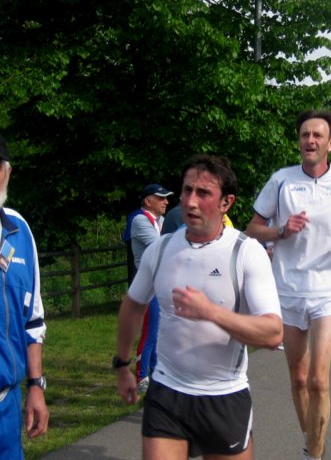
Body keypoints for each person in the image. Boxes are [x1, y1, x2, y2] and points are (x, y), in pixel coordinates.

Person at [115, 154, 282, 460]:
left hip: (224, 394)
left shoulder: (245, 252)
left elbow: (272, 333)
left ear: (226, 202)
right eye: (187, 190)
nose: (191, 201)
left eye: (203, 193)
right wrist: (122, 364)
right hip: (167, 392)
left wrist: (211, 312)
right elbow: (133, 305)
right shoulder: (161, 249)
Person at [245, 109, 331, 460]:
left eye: (317, 135)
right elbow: (252, 229)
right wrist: (281, 230)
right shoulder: (281, 181)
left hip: (328, 290)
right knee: (299, 379)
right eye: (305, 135)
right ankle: (313, 442)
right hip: (287, 290)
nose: (310, 140)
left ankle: (313, 455)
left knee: (319, 379)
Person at [0, 129, 49, 458]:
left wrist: (36, 385)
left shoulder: (19, 230)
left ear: (7, 173)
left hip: (7, 405)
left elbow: (32, 318)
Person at [124, 184, 173, 393]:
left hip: (160, 281)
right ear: (147, 201)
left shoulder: (160, 221)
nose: (166, 202)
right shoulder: (140, 220)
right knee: (151, 330)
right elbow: (161, 246)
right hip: (147, 282)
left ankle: (155, 373)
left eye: (166, 198)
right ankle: (142, 376)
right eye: (161, 198)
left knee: (160, 330)